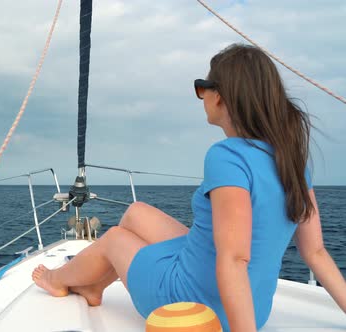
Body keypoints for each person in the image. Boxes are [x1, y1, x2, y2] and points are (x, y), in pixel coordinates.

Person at [32, 43, 346, 331]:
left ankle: (57, 280)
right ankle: (93, 285)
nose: (201, 96)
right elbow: (316, 251)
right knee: (136, 212)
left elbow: (235, 259)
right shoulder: (291, 161)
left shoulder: (227, 157)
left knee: (114, 238)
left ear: (220, 96)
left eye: (202, 88)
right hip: (254, 308)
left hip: (196, 306)